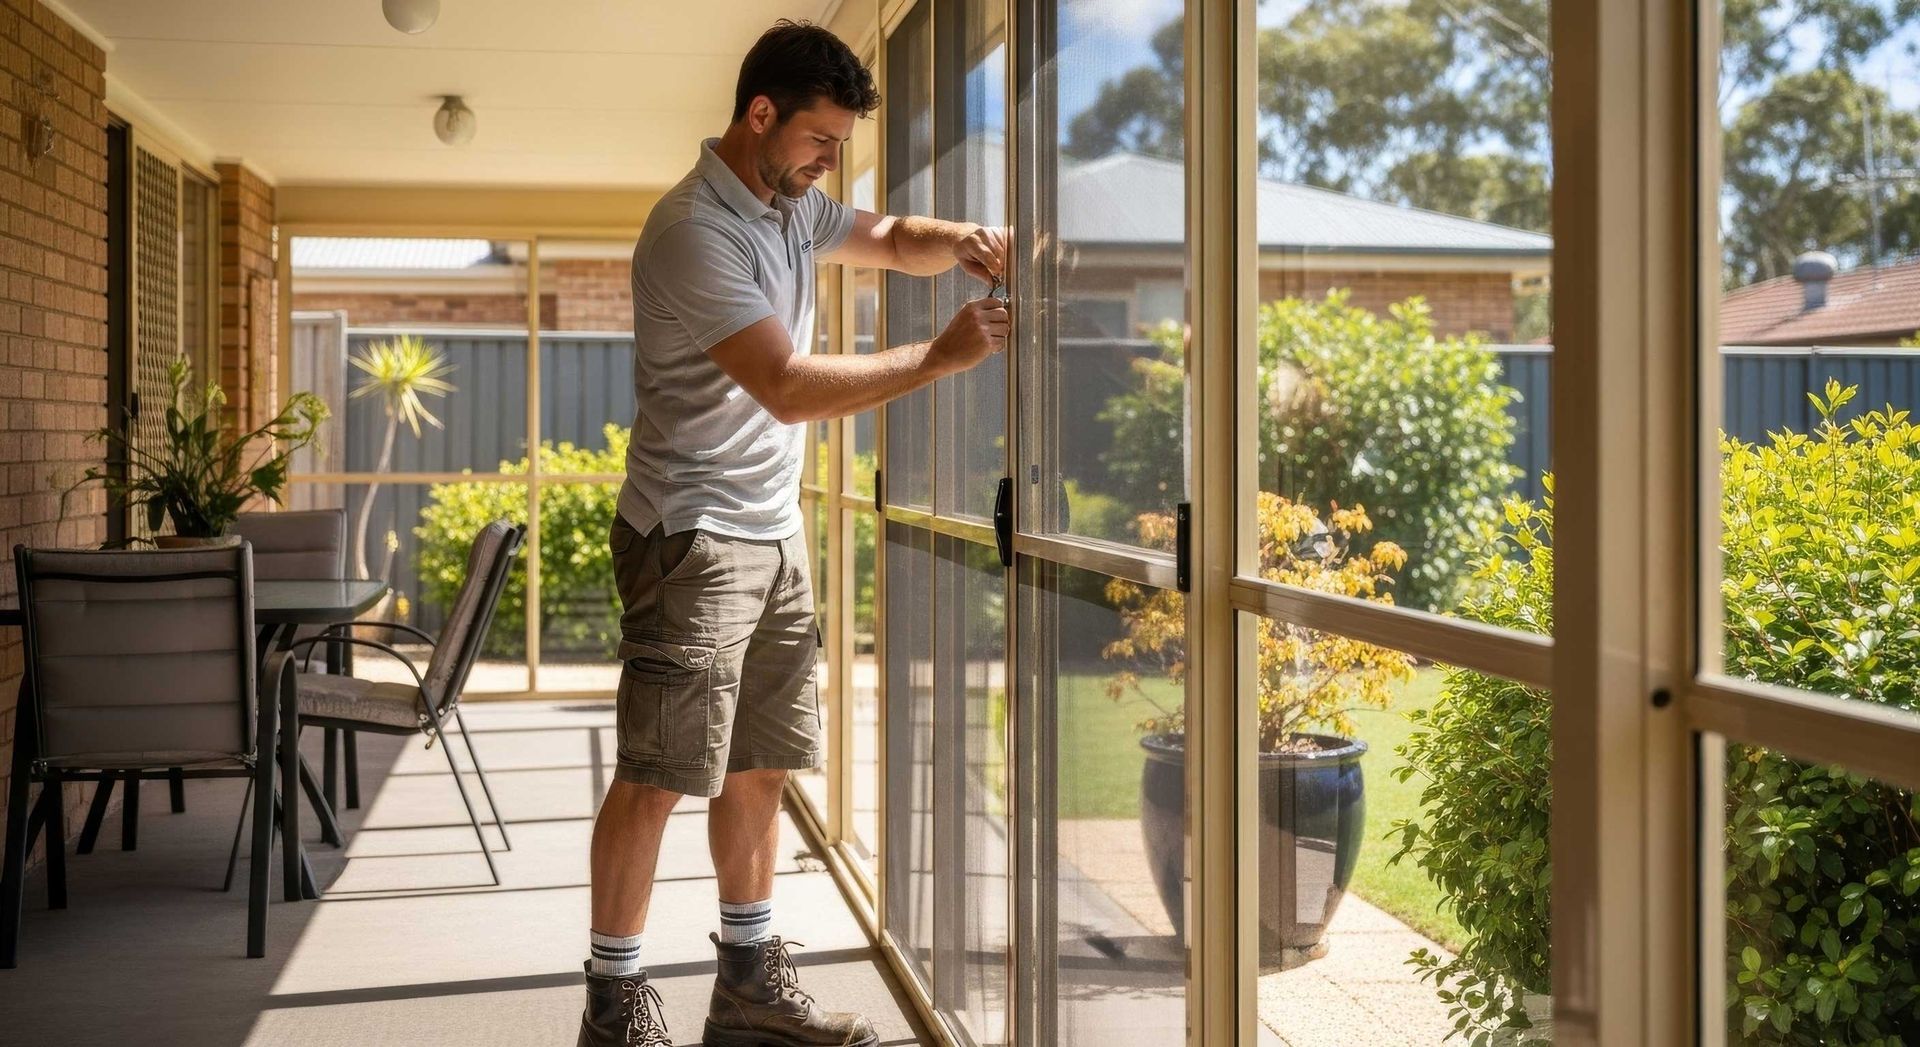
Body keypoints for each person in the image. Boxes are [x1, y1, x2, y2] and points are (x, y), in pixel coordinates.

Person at [579, 19, 1008, 1047]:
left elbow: (892, 239)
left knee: (761, 764)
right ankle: (613, 1010)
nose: (828, 164)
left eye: (839, 147)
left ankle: (749, 995)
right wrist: (936, 358)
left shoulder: (791, 206)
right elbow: (783, 384)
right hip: (692, 534)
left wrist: (970, 241)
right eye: (819, 140)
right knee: (658, 773)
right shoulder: (695, 229)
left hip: (772, 530)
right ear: (760, 115)